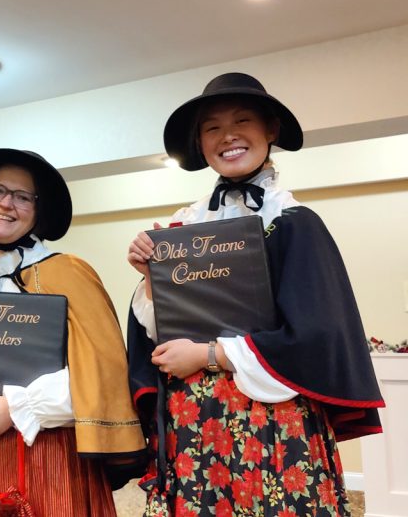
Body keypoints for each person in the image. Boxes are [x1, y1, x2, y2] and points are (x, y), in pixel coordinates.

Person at [125, 72, 384, 516]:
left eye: (242, 120)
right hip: (194, 418)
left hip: (274, 416)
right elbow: (156, 333)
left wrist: (208, 356)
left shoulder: (295, 222)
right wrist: (150, 279)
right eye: (211, 127)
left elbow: (315, 335)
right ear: (200, 143)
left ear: (270, 131)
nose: (227, 136)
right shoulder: (181, 226)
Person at [0, 148, 146, 516]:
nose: (6, 204)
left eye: (22, 197)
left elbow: (100, 375)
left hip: (48, 456)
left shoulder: (71, 274)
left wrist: (15, 408)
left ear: (40, 211)